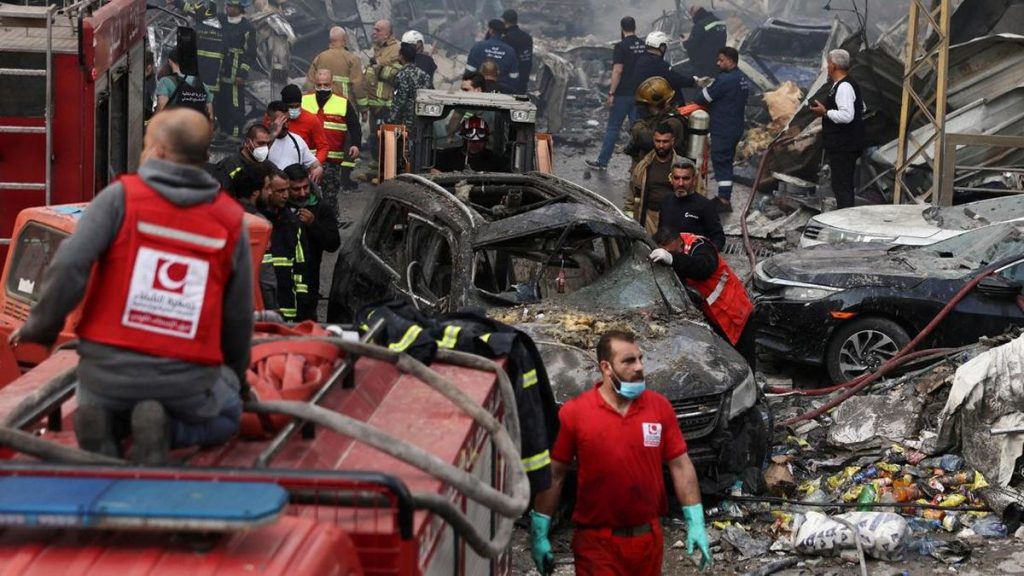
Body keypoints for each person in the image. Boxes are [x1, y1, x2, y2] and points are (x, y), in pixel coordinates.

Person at [8, 108, 252, 465]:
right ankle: (168, 429)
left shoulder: (119, 198)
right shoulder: (231, 220)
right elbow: (238, 317)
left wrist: (40, 328)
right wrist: (237, 378)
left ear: (158, 151)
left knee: (101, 398)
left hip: (105, 377)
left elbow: (69, 265)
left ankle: (106, 423)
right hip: (184, 382)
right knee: (230, 415)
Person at [530, 330, 711, 575]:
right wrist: (540, 529)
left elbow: (680, 464)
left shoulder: (659, 408)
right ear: (606, 367)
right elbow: (555, 473)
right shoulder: (576, 413)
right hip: (597, 544)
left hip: (647, 541)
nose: (639, 367)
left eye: (640, 358)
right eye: (628, 361)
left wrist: (696, 521)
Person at [651, 227, 755, 367]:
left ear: (680, 242)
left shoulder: (701, 246)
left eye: (674, 251)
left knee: (744, 362)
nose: (675, 254)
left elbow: (703, 268)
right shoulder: (676, 248)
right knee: (726, 361)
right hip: (714, 313)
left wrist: (672, 258)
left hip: (735, 310)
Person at [586, 16, 648, 171]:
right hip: (640, 94)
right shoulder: (643, 45)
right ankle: (642, 164)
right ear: (635, 27)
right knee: (639, 130)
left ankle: (602, 162)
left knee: (613, 128)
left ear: (622, 28)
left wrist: (611, 93)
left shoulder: (620, 46)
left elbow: (618, 70)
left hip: (622, 94)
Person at [694, 46, 749, 213]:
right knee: (726, 161)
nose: (718, 63)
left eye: (721, 60)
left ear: (730, 61)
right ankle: (724, 197)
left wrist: (705, 86)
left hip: (723, 127)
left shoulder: (725, 79)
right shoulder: (742, 78)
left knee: (721, 161)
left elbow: (702, 98)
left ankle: (724, 200)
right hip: (735, 126)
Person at [810, 49, 866, 210]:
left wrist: (826, 112)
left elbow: (847, 115)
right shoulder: (844, 85)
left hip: (844, 145)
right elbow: (861, 107)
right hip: (843, 144)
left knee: (842, 186)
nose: (827, 67)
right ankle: (845, 214)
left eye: (828, 64)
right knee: (841, 184)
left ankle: (845, 217)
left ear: (834, 66)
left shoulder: (844, 87)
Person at [284, 163, 340, 321]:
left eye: (305, 187)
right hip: (281, 277)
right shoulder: (280, 208)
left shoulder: (322, 208)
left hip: (309, 278)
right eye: (296, 189)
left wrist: (313, 224)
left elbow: (333, 244)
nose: (302, 193)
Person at [302, 69, 362, 206]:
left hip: (332, 159)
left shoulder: (342, 102)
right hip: (308, 158)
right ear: (314, 83)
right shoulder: (304, 101)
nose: (322, 88)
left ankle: (330, 218)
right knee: (307, 197)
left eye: (326, 85)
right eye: (319, 85)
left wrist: (356, 144)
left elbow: (354, 126)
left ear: (332, 84)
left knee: (330, 197)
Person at [260, 169, 309, 321]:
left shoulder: (292, 223)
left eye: (287, 190)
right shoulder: (256, 222)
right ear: (267, 190)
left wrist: (302, 300)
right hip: (260, 306)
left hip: (287, 308)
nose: (286, 195)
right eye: (280, 191)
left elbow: (301, 265)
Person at [231, 162, 278, 310]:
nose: (270, 192)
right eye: (267, 187)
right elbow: (265, 278)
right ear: (255, 193)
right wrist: (272, 309)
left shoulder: (225, 215)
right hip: (251, 304)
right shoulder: (260, 225)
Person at [629, 123, 686, 233]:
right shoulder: (643, 166)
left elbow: (698, 195)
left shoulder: (683, 167)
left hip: (674, 219)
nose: (661, 145)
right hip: (648, 218)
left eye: (665, 141)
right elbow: (632, 195)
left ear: (672, 141)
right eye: (658, 141)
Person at [657, 159, 725, 250]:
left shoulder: (705, 206)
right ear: (671, 179)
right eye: (676, 178)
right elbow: (661, 233)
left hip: (693, 256)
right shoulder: (666, 201)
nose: (681, 183)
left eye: (686, 179)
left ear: (694, 180)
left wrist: (707, 253)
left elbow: (718, 238)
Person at [213, 0, 256, 138]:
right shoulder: (220, 20)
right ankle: (222, 132)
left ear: (239, 8)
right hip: (219, 72)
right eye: (227, 5)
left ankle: (235, 136)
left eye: (231, 6)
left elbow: (250, 54)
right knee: (219, 104)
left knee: (235, 106)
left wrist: (242, 73)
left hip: (235, 74)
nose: (228, 8)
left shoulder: (247, 27)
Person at [624, 76, 687, 164]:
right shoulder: (658, 118)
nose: (647, 108)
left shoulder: (673, 122)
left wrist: (637, 127)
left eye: (648, 105)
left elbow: (651, 142)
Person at [365, 19, 401, 161]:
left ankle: (387, 168)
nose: (374, 32)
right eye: (374, 29)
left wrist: (379, 68)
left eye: (378, 30)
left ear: (387, 33)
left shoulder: (397, 49)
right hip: (374, 103)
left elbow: (398, 74)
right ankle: (376, 166)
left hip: (387, 104)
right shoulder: (378, 48)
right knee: (374, 137)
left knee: (386, 138)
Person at [305, 26, 368, 109]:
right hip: (345, 107)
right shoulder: (352, 59)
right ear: (345, 39)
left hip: (324, 107)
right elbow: (358, 85)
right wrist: (363, 108)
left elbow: (310, 84)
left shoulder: (319, 58)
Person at [265, 101, 324, 183]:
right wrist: (273, 134)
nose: (286, 125)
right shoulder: (261, 141)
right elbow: (256, 160)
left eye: (287, 121)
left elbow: (314, 164)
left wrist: (318, 168)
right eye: (282, 122)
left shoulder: (297, 140)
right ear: (269, 121)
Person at [432, 116, 507, 173]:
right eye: (471, 141)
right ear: (464, 140)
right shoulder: (447, 156)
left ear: (485, 141)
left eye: (480, 141)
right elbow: (433, 172)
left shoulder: (494, 160)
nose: (476, 144)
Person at [155, 47, 214, 119]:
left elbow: (161, 112)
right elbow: (210, 117)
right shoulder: (203, 86)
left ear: (170, 61)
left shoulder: (165, 82)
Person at [280, 84, 330, 168]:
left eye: (297, 106)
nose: (294, 109)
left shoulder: (311, 119)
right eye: (290, 107)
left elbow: (323, 147)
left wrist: (316, 165)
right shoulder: (273, 118)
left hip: (304, 167)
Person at [213, 122, 272, 193]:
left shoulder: (267, 165)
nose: (265, 148)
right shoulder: (228, 166)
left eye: (267, 144)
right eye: (261, 143)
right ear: (248, 142)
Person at [388, 43, 433, 132]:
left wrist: (392, 117)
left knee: (401, 140)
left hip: (404, 120)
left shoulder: (402, 75)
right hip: (420, 119)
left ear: (401, 56)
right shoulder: (423, 74)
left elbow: (401, 99)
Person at [465, 19, 519, 91]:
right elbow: (514, 78)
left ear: (490, 30)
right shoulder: (510, 51)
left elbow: (469, 72)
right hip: (501, 92)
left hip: (479, 90)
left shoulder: (478, 47)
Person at [681, 6, 727, 79]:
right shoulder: (720, 21)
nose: (691, 18)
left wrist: (684, 42)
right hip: (718, 60)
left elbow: (691, 44)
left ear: (694, 14)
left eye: (691, 16)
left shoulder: (700, 25)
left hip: (704, 64)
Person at [501, 9, 533, 94]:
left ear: (504, 21)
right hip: (523, 80)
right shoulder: (527, 37)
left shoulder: (506, 38)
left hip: (509, 83)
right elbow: (528, 60)